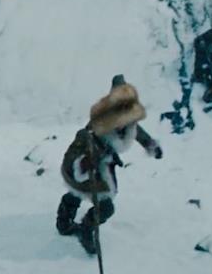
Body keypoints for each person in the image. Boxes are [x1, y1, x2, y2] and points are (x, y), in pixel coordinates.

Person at [57, 75, 163, 255]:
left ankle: (66, 222)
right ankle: (85, 228)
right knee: (103, 205)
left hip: (101, 163)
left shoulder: (127, 119)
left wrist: (150, 145)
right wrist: (85, 164)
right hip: (84, 162)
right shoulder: (100, 124)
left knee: (84, 192)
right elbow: (84, 143)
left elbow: (136, 131)